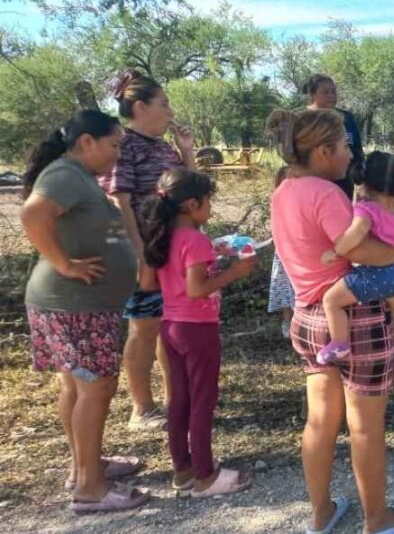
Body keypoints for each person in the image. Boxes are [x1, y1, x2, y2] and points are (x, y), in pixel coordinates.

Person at [267, 108, 394, 534]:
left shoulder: (282, 190)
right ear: (323, 151)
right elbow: (359, 250)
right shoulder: (327, 193)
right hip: (357, 319)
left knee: (320, 419)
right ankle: (377, 519)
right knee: (366, 426)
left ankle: (320, 513)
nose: (350, 153)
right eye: (345, 145)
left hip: (309, 315)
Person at [21, 111, 148, 512]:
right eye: (114, 145)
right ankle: (91, 489)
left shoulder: (79, 177)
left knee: (76, 387)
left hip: (74, 305)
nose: (117, 154)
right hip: (74, 305)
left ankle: (86, 467)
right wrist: (64, 264)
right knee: (96, 388)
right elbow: (32, 214)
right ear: (87, 142)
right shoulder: (65, 175)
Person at [140, 168, 256, 497]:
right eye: (209, 201)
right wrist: (235, 270)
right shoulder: (195, 239)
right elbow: (196, 289)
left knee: (179, 400)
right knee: (203, 400)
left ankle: (183, 470)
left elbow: (148, 283)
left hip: (170, 327)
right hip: (197, 329)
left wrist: (208, 257)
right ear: (192, 204)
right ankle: (206, 476)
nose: (211, 208)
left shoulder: (161, 237)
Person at [103, 69, 197, 431]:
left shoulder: (163, 147)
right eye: (163, 103)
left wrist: (187, 152)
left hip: (171, 249)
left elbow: (190, 188)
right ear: (140, 107)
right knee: (144, 327)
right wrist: (139, 250)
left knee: (168, 324)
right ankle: (141, 408)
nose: (169, 110)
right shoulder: (123, 145)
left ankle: (176, 401)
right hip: (145, 253)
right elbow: (120, 200)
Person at [317, 152, 394, 366]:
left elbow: (354, 235)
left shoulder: (366, 210)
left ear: (367, 184)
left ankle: (339, 343)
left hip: (373, 274)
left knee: (331, 301)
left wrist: (336, 252)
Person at [303, 74, 365, 198]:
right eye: (325, 92)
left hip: (343, 179)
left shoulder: (346, 118)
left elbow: (356, 148)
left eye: (333, 92)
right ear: (313, 95)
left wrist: (359, 173)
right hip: (311, 180)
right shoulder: (302, 118)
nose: (331, 96)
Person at [267, 167, 296, 340]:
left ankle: (298, 322)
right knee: (286, 289)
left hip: (297, 253)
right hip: (284, 253)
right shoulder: (277, 200)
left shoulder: (303, 200)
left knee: (296, 291)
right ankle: (287, 321)